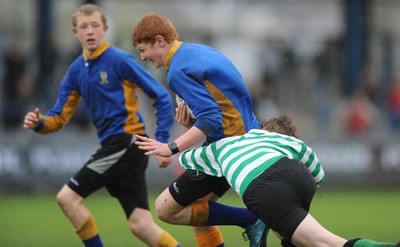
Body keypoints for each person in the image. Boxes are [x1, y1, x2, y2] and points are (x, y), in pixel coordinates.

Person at [23, 4, 179, 247]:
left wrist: (160, 140)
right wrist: (39, 123)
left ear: (105, 29)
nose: (90, 31)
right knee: (141, 225)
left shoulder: (119, 60)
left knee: (67, 198)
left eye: (95, 25)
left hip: (126, 142)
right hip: (119, 147)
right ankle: (247, 220)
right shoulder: (76, 70)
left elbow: (160, 95)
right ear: (75, 32)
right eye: (84, 26)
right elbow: (58, 118)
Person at [136, 115, 400, 247]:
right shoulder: (285, 142)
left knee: (328, 243)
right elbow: (315, 169)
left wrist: (172, 148)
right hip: (300, 178)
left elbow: (190, 158)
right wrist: (312, 181)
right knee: (297, 239)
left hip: (263, 186)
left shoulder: (232, 142)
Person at [132, 13, 267, 247]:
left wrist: (170, 148)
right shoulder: (199, 51)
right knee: (199, 212)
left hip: (227, 148)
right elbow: (222, 109)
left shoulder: (176, 70)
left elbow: (212, 117)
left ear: (160, 41)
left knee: (165, 209)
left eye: (143, 50)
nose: (143, 57)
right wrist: (192, 125)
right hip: (247, 137)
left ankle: (252, 219)